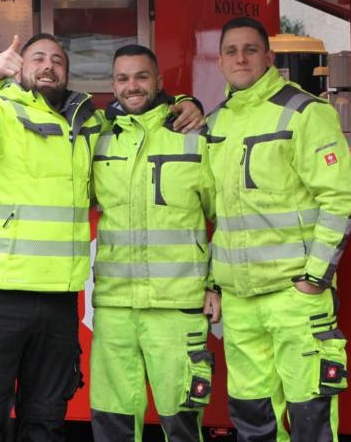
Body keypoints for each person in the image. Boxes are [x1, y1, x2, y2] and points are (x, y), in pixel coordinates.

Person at [0, 34, 203, 441]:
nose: (48, 66)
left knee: (46, 423)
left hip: (58, 300)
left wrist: (185, 103)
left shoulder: (88, 125)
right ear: (20, 68)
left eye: (58, 60)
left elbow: (139, 115)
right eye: (38, 58)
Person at [205, 17, 351, 442]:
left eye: (250, 49)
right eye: (231, 51)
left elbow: (341, 199)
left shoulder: (306, 112)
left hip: (296, 296)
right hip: (239, 301)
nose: (241, 58)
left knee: (310, 419)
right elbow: (216, 214)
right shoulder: (215, 124)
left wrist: (314, 279)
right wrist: (214, 284)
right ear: (219, 62)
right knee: (252, 420)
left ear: (269, 57)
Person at [89, 45, 219, 442]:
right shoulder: (97, 139)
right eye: (123, 78)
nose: (132, 86)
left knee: (180, 425)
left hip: (177, 306)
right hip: (114, 308)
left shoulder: (195, 137)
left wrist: (215, 284)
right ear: (113, 85)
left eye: (142, 77)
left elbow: (229, 218)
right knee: (112, 424)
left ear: (160, 81)